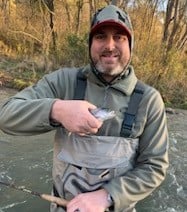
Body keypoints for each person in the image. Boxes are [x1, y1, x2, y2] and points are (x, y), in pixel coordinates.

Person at [0, 4, 169, 212]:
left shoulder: (149, 100)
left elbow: (155, 167)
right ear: (90, 44)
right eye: (100, 36)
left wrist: (109, 196)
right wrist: (57, 110)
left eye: (119, 37)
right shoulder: (62, 82)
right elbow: (6, 115)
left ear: (130, 45)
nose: (109, 45)